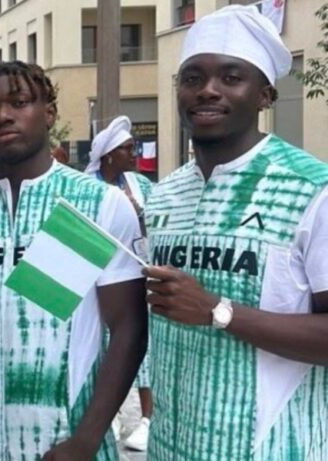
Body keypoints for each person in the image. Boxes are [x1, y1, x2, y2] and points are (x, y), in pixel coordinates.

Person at [0, 61, 147, 460]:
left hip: (64, 445)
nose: (3, 115)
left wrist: (86, 439)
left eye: (19, 102)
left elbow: (129, 329)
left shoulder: (96, 204)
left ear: (50, 113)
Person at [143, 5, 328, 460]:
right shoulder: (163, 195)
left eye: (230, 77)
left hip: (273, 448)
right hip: (171, 446)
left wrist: (218, 311)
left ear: (265, 96)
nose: (207, 90)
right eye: (192, 78)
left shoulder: (312, 189)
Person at [86, 115, 153, 451]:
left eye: (134, 147)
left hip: (136, 274)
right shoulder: (88, 189)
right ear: (109, 154)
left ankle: (146, 417)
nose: (134, 153)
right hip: (97, 280)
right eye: (127, 148)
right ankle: (102, 411)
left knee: (139, 345)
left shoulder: (141, 185)